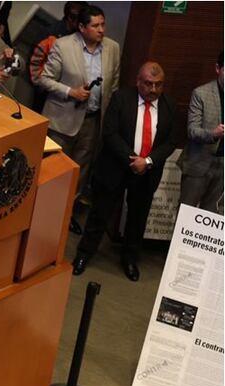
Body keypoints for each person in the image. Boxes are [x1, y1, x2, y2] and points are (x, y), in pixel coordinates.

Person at [73, 62, 180, 282]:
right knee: (100, 214)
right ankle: (84, 254)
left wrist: (148, 161)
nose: (153, 89)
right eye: (148, 84)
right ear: (138, 82)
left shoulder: (170, 106)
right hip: (116, 167)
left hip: (147, 172)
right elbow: (110, 133)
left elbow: (170, 142)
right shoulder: (122, 98)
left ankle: (130, 259)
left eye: (158, 85)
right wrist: (133, 160)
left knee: (137, 219)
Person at [38, 4, 120, 230]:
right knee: (52, 169)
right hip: (62, 119)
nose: (101, 30)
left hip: (93, 121)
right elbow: (44, 79)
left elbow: (113, 85)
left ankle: (65, 215)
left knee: (80, 171)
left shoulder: (112, 48)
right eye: (95, 26)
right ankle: (43, 213)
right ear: (82, 27)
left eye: (103, 24)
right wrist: (70, 92)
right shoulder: (63, 46)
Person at [179, 52, 224, 214]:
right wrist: (213, 134)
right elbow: (192, 131)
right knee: (186, 215)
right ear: (218, 68)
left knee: (210, 217)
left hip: (223, 166)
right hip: (199, 163)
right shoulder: (201, 93)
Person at [28, 2, 86, 112]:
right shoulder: (50, 35)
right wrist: (41, 87)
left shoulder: (80, 37)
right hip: (45, 93)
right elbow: (35, 63)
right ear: (70, 18)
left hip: (66, 95)